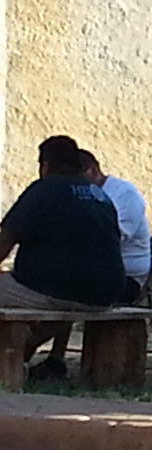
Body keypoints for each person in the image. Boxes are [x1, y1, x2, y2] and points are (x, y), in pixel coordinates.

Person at [0, 135, 125, 376]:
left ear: (45, 166)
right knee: (57, 296)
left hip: (56, 288)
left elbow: (5, 241)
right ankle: (22, 357)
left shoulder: (43, 190)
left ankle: (11, 362)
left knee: (32, 293)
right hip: (106, 292)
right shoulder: (100, 196)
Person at [80, 150, 152, 302]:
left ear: (92, 171)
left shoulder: (124, 194)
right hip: (92, 273)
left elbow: (111, 239)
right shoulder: (81, 193)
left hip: (125, 278)